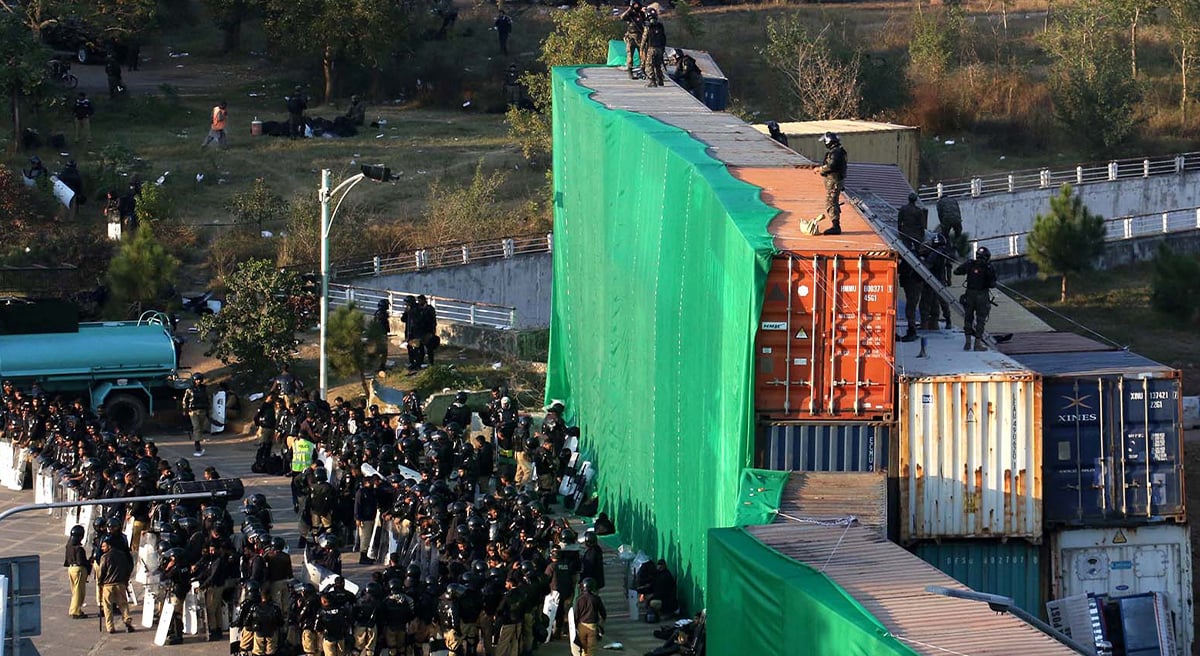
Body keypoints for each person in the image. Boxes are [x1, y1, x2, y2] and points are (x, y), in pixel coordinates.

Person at [954, 246, 997, 351]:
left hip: (969, 294)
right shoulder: (989, 267)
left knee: (968, 318)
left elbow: (956, 271)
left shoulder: (970, 264)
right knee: (981, 320)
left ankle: (967, 343)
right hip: (982, 295)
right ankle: (977, 343)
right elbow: (992, 285)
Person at [97, 536, 135, 633]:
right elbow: (127, 568)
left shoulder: (105, 557)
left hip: (108, 585)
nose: (102, 548)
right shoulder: (122, 555)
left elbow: (102, 571)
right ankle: (127, 621)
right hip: (120, 583)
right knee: (123, 604)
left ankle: (110, 626)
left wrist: (100, 582)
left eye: (104, 546)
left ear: (109, 546)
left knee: (108, 606)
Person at [920, 233, 954, 330]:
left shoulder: (938, 254)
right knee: (938, 302)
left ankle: (926, 323)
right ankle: (947, 321)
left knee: (929, 303)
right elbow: (948, 266)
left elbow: (929, 265)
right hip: (936, 280)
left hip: (934, 280)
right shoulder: (940, 253)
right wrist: (949, 279)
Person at [818, 132, 848, 235]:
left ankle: (836, 226)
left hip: (834, 181)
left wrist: (820, 169)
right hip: (836, 181)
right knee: (833, 202)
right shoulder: (840, 151)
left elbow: (831, 166)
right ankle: (835, 225)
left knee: (830, 203)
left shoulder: (836, 153)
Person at [572, 578, 606, 656]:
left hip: (581, 626)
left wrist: (575, 626)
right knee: (591, 648)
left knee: (583, 647)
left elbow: (576, 614)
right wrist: (601, 625)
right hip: (592, 626)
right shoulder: (596, 599)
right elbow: (603, 613)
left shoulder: (579, 599)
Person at [64, 524, 90, 619]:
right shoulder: (79, 549)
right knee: (79, 592)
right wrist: (89, 563)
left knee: (74, 591)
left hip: (70, 569)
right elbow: (81, 561)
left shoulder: (69, 545)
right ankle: (75, 611)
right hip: (78, 570)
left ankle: (73, 609)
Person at [182, 372, 210, 456]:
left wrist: (209, 409)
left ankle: (198, 439)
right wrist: (184, 409)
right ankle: (197, 443)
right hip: (193, 411)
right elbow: (185, 400)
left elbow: (208, 399)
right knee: (196, 427)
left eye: (199, 380)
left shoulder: (205, 389)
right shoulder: (190, 390)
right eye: (196, 380)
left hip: (202, 410)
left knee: (201, 427)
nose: (198, 381)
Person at [898, 260, 922, 343]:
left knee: (910, 308)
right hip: (910, 282)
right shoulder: (910, 256)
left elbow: (900, 269)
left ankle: (912, 331)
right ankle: (912, 330)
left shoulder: (912, 257)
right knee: (910, 308)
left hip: (913, 282)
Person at [621, 1, 646, 79]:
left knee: (642, 55)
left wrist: (644, 11)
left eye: (637, 4)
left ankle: (643, 70)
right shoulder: (630, 14)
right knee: (630, 55)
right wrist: (629, 9)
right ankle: (630, 72)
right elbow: (622, 17)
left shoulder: (641, 14)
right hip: (631, 37)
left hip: (640, 36)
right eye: (635, 4)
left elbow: (647, 21)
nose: (636, 6)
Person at [642, 9, 667, 88]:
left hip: (651, 48)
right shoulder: (660, 26)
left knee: (649, 65)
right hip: (660, 48)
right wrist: (663, 48)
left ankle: (652, 81)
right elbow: (664, 38)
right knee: (658, 65)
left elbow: (644, 38)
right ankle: (660, 80)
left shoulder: (648, 27)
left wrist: (641, 48)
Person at [400, 295, 423, 371]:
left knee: (416, 349)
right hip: (409, 332)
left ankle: (417, 364)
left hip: (415, 333)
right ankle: (412, 363)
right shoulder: (408, 310)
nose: (406, 305)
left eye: (407, 303)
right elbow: (403, 319)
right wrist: (405, 312)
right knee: (410, 348)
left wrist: (410, 312)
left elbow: (416, 322)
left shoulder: (417, 309)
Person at [416, 295, 439, 366]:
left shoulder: (429, 309)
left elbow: (432, 321)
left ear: (423, 300)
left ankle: (431, 362)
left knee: (429, 348)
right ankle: (421, 361)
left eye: (419, 301)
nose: (418, 302)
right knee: (420, 347)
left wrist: (432, 331)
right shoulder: (419, 309)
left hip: (428, 331)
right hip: (421, 331)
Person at [373, 299, 390, 371]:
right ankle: (381, 366)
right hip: (381, 335)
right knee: (382, 351)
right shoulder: (380, 314)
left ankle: (381, 366)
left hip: (381, 334)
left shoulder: (380, 313)